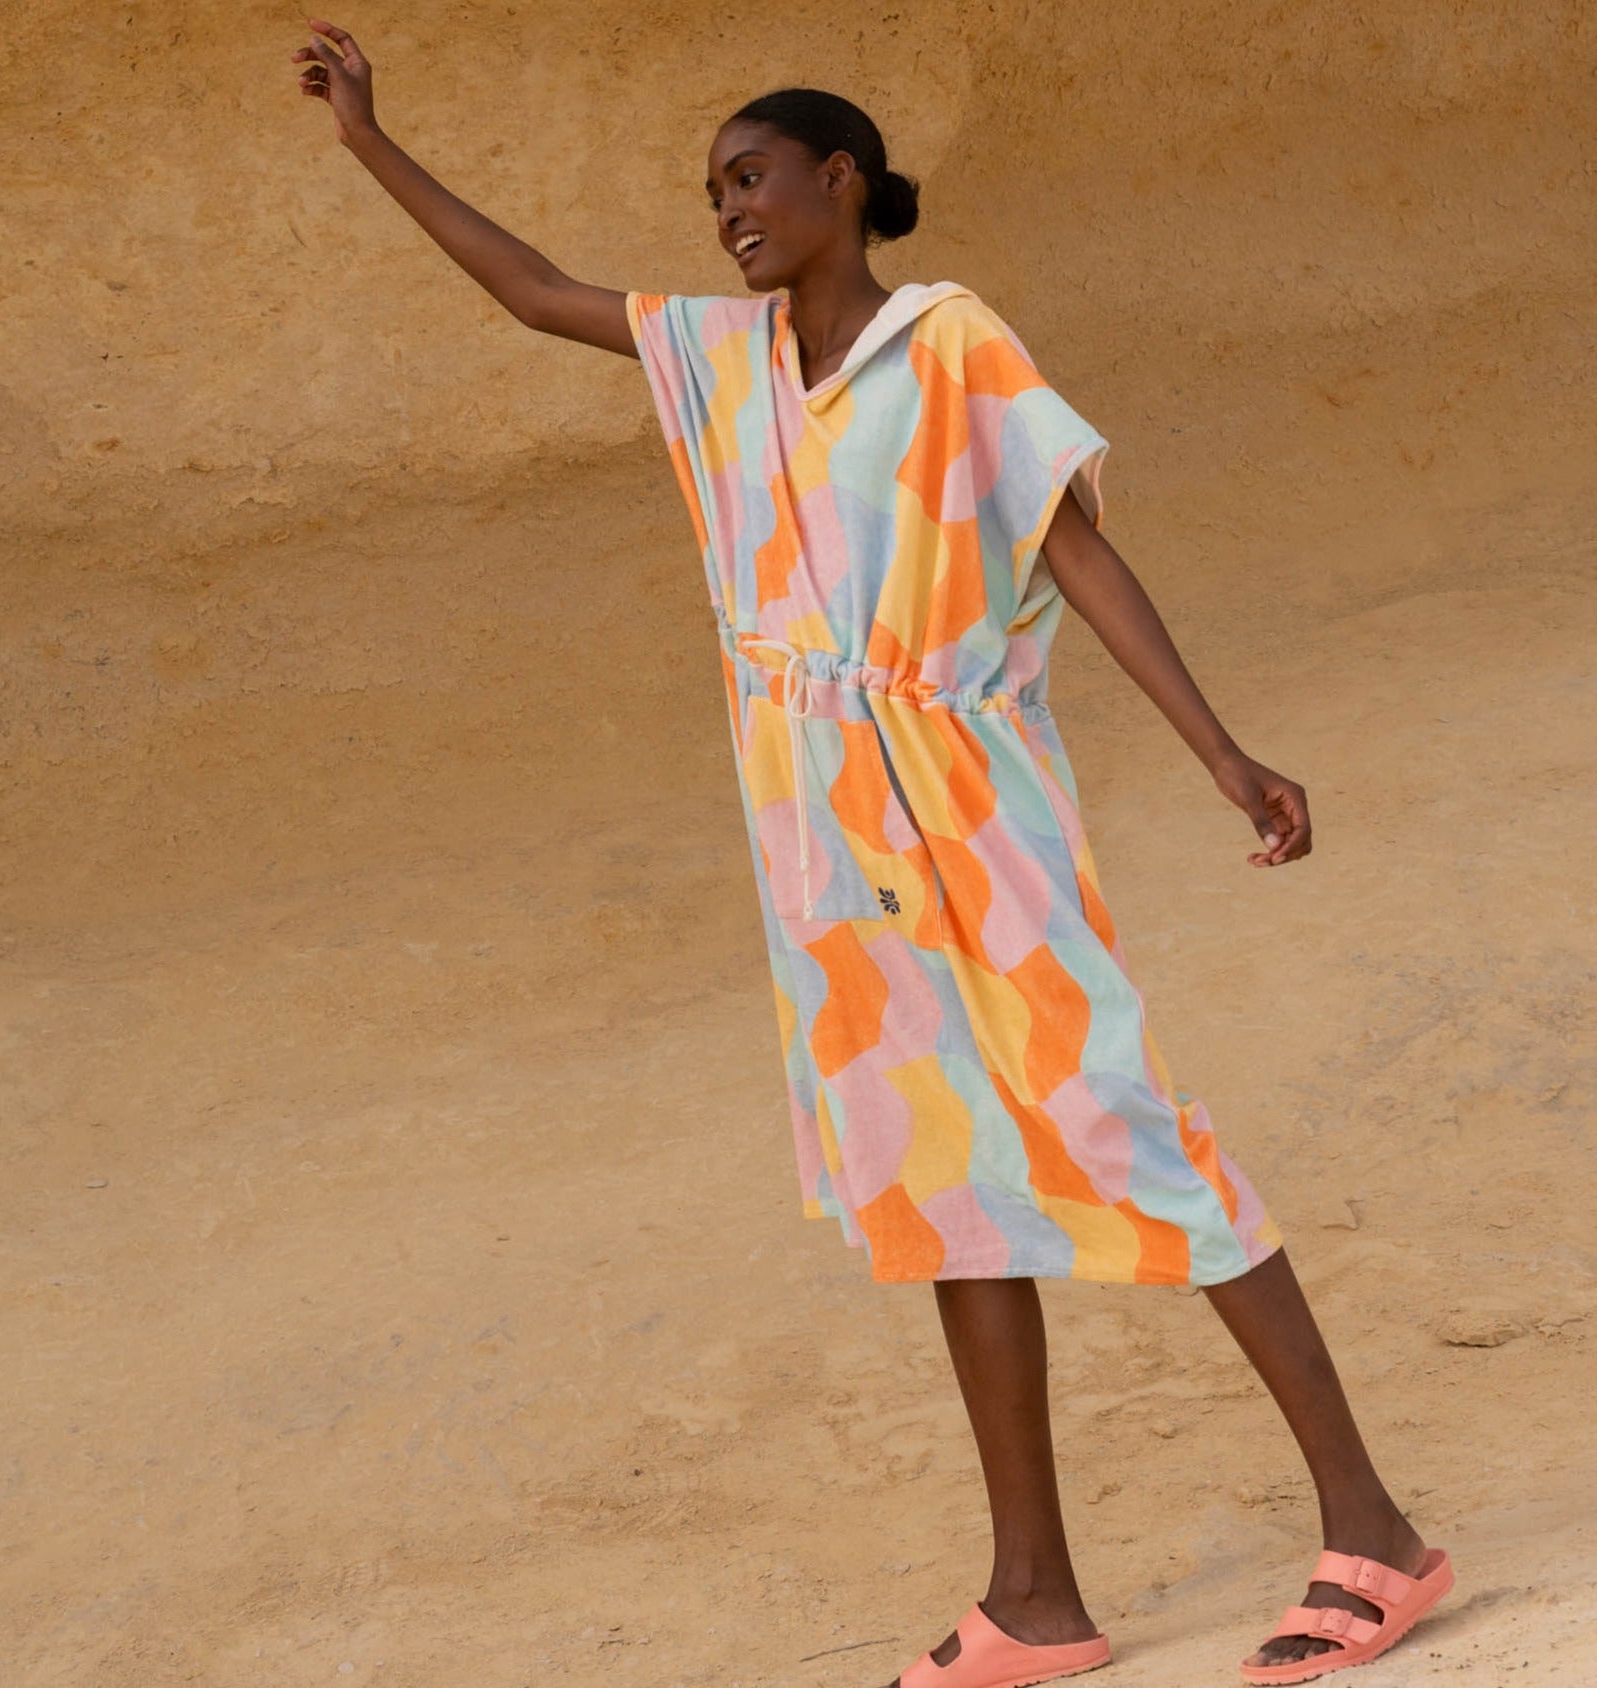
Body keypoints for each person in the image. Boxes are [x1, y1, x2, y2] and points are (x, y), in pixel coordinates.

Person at [292, 24, 1456, 1686]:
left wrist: (1221, 753)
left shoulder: (948, 341)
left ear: (841, 181)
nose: (727, 213)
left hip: (970, 799)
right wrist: (368, 145)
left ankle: (1375, 1532)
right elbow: (535, 292)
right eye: (711, 193)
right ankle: (1035, 1597)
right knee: (942, 1178)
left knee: (1123, 1126)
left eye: (750, 178)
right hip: (820, 829)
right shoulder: (723, 356)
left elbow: (1075, 550)